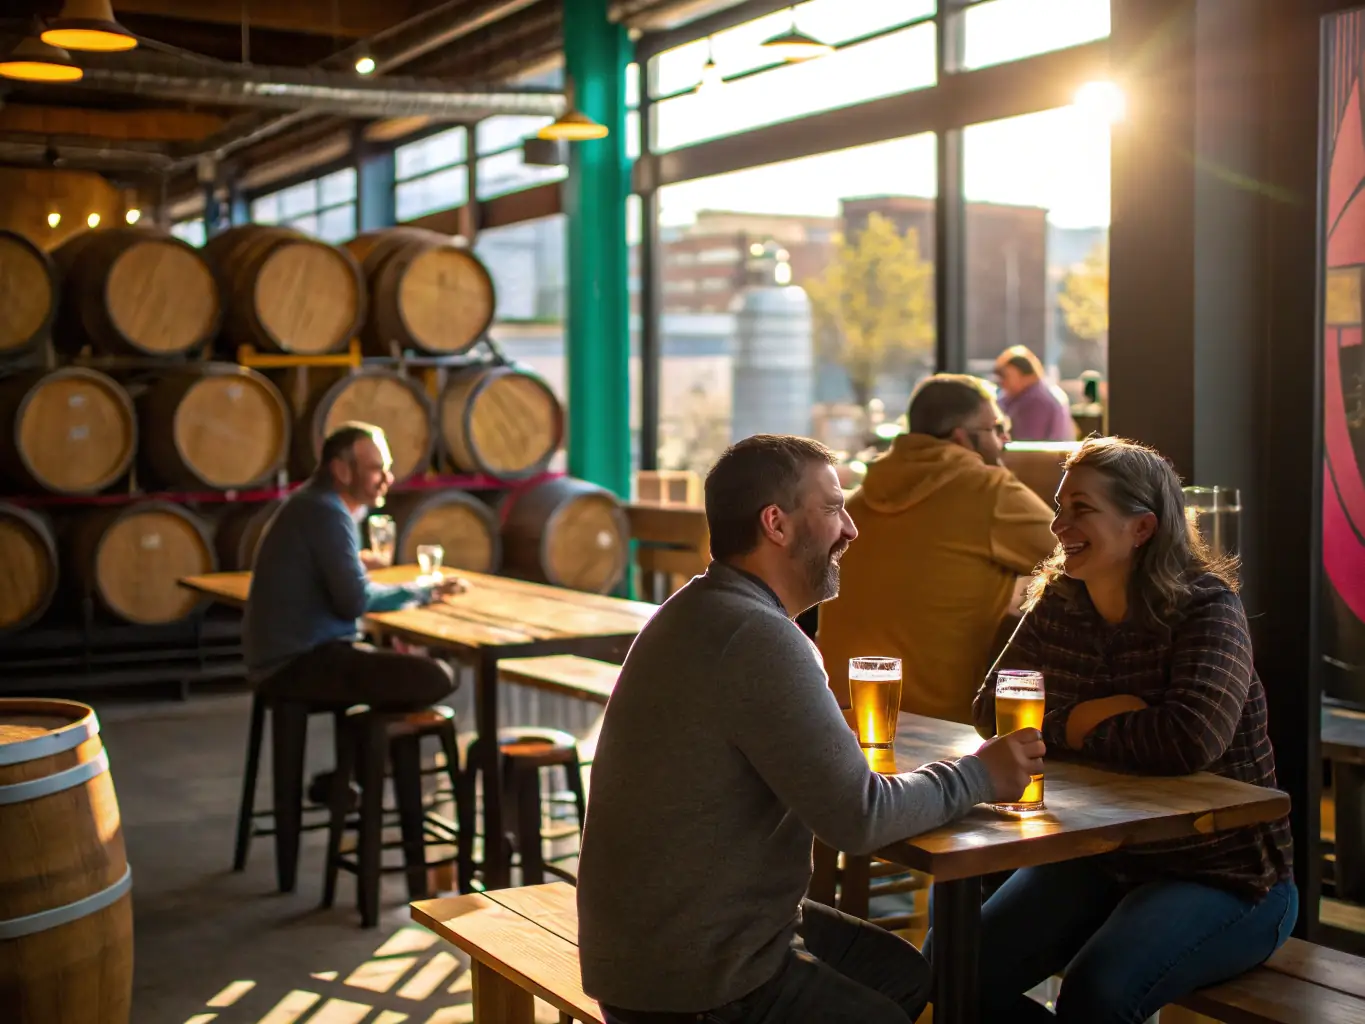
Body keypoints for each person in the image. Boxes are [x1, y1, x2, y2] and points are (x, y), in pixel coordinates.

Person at [576, 433, 1047, 1024]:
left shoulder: (697, 609)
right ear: (775, 523)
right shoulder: (758, 636)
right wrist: (979, 773)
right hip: (697, 979)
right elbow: (860, 816)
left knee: (907, 976)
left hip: (651, 942)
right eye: (833, 508)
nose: (851, 529)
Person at [966, 437, 1296, 1023]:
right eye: (1060, 505)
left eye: (1081, 508)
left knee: (1097, 995)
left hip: (1225, 874)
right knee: (957, 968)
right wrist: (1089, 717)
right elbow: (991, 709)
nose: (1058, 522)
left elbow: (1187, 740)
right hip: (1099, 856)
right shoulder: (1060, 600)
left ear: (1141, 528)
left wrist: (1066, 724)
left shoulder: (1206, 608)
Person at [818, 375, 1055, 724]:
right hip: (946, 731)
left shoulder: (861, 501)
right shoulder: (989, 492)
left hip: (846, 721)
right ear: (962, 436)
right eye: (996, 427)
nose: (1005, 439)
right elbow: (1082, 555)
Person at [242, 422, 464, 711]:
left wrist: (354, 563)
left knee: (405, 672)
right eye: (376, 469)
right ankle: (375, 746)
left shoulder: (312, 504)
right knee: (437, 675)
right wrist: (424, 590)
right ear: (342, 470)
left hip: (279, 657)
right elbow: (354, 601)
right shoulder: (327, 512)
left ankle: (368, 747)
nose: (388, 478)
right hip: (296, 662)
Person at [993, 345, 1075, 442]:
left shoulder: (1036, 400)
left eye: (1006, 376)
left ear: (1026, 376)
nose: (1002, 382)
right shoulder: (1040, 392)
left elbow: (1026, 442)